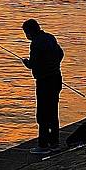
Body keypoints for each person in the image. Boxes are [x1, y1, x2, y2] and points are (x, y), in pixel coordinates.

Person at [22, 19, 64, 155]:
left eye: (26, 33)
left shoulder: (36, 44)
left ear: (30, 31)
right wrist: (53, 65)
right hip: (56, 78)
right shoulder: (50, 37)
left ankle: (43, 145)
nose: (26, 36)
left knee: (42, 114)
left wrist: (26, 63)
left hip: (44, 81)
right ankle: (55, 143)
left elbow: (33, 64)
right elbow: (61, 54)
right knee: (53, 112)